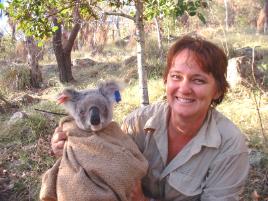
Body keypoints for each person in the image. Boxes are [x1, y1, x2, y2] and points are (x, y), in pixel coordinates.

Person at [51, 36, 250, 201]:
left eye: (198, 80)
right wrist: (69, 144)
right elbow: (99, 153)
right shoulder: (137, 124)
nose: (184, 88)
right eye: (176, 77)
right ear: (165, 81)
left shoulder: (230, 145)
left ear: (217, 91)